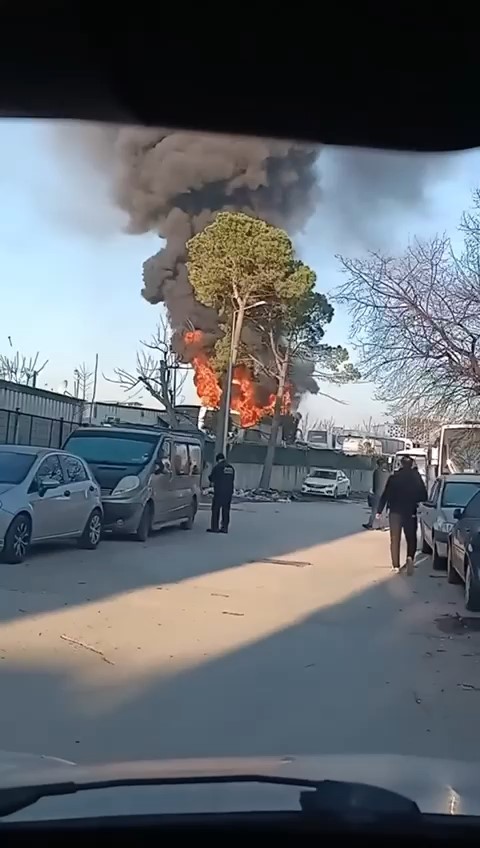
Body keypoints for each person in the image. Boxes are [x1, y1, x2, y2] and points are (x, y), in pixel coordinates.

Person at [376, 455, 427, 574]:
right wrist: (415, 499)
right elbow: (424, 496)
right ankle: (410, 557)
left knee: (395, 539)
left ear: (401, 464)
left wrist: (379, 510)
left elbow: (385, 494)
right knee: (411, 538)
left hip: (395, 512)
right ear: (412, 464)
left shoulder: (394, 477)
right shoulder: (416, 478)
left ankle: (396, 565)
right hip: (410, 511)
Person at [207, 452, 235, 534]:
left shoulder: (217, 467)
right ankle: (224, 527)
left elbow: (212, 478)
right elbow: (232, 479)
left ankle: (214, 527)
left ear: (218, 460)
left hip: (219, 491)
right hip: (228, 492)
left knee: (215, 509)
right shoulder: (231, 468)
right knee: (226, 510)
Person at [363, 458, 390, 530]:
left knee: (375, 510)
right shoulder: (388, 473)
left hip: (377, 493)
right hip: (385, 494)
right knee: (383, 510)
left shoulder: (377, 472)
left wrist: (374, 491)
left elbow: (375, 483)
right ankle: (382, 526)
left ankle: (371, 524)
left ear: (378, 464)